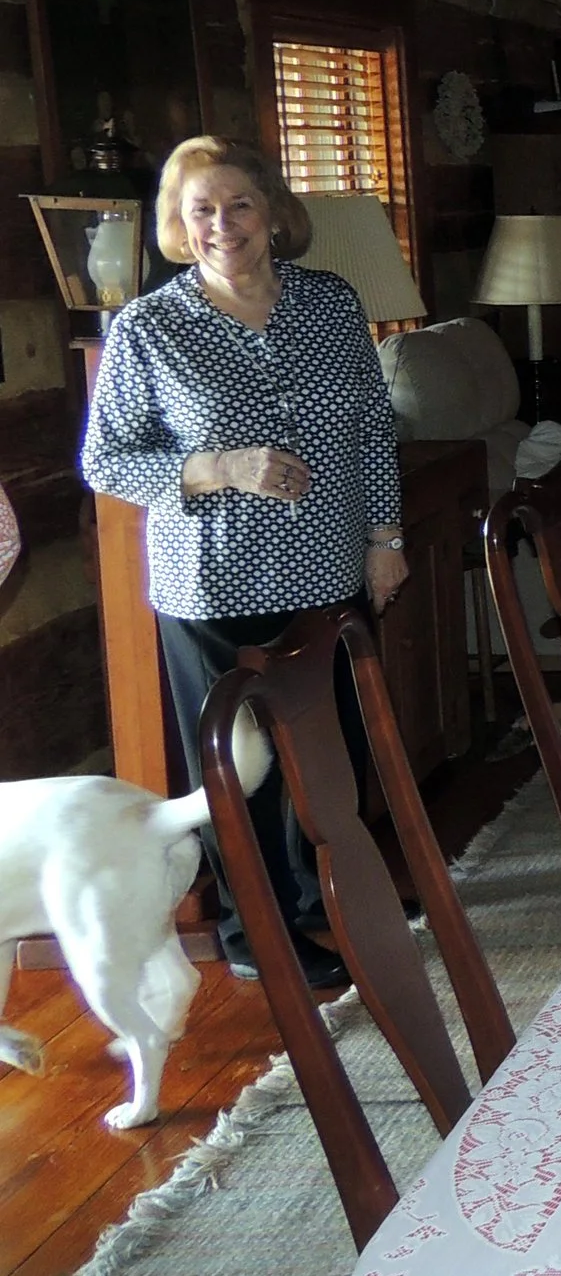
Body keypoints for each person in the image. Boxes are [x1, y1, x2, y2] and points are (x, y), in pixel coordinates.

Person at [81, 137, 406, 987]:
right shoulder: (149, 327)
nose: (222, 225)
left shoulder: (330, 301)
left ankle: (327, 899)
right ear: (178, 224)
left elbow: (373, 425)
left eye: (239, 205)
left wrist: (386, 540)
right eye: (201, 210)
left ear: (272, 213)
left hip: (331, 573)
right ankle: (255, 932)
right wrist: (218, 466)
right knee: (243, 769)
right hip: (213, 587)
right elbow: (105, 461)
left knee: (331, 754)